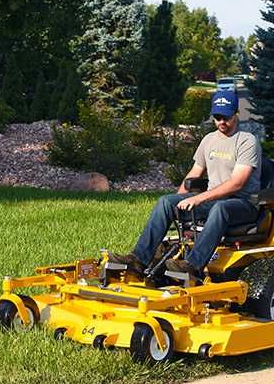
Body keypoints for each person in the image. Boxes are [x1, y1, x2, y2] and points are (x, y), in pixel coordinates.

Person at [110, 89, 260, 280]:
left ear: (236, 115)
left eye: (227, 117)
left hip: (242, 203)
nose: (222, 122)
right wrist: (178, 203)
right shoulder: (209, 140)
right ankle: (138, 260)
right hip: (213, 200)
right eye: (218, 117)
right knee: (166, 201)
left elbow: (236, 184)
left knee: (221, 208)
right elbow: (193, 174)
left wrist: (198, 198)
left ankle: (192, 266)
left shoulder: (247, 141)